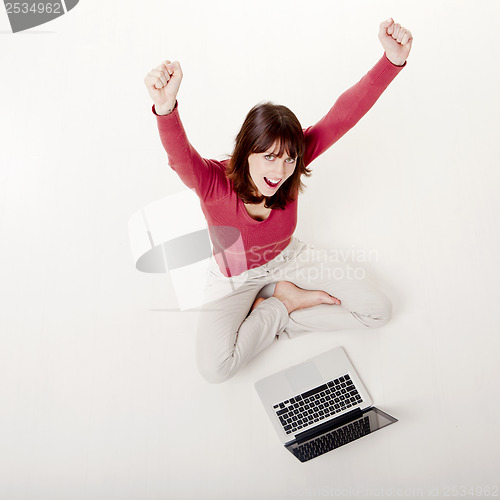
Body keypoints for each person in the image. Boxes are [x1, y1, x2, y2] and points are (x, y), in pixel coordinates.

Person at [144, 18, 413, 383]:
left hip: (290, 260)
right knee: (215, 368)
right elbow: (179, 158)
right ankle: (281, 304)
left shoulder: (290, 167)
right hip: (233, 279)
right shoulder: (213, 182)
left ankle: (282, 305)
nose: (281, 169)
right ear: (247, 150)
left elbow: (343, 116)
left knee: (378, 312)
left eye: (289, 158)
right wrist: (166, 107)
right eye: (269, 156)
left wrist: (391, 61)